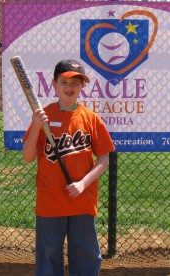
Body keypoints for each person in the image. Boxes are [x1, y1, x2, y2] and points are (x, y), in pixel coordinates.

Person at [22, 59, 115, 276]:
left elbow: (104, 159)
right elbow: (27, 157)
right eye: (64, 82)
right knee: (49, 253)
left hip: (81, 198)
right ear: (54, 84)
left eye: (76, 82)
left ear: (83, 86)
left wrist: (83, 184)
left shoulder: (90, 119)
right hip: (50, 199)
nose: (69, 87)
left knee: (85, 253)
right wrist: (36, 126)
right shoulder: (43, 116)